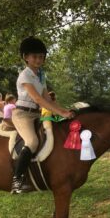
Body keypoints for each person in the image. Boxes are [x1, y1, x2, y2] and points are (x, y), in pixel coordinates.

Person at [11, 36, 74, 194]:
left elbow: (47, 98)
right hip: (22, 114)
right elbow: (37, 98)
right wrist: (61, 112)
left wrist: (64, 111)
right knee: (32, 141)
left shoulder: (41, 75)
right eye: (35, 56)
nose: (39, 59)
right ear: (26, 57)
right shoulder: (25, 75)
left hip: (37, 115)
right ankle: (17, 180)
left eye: (41, 56)